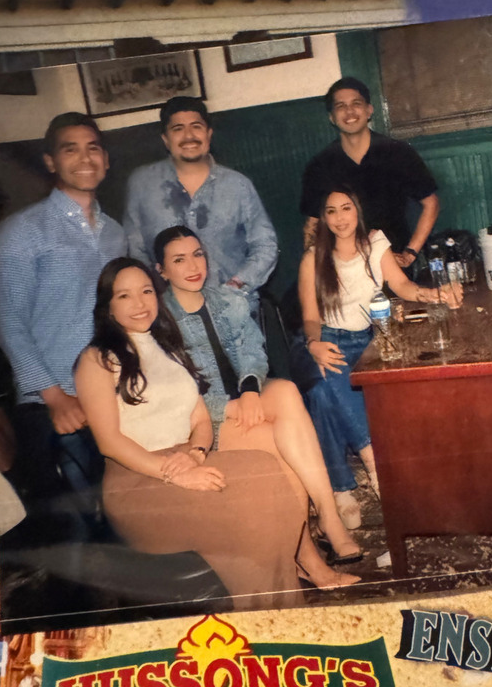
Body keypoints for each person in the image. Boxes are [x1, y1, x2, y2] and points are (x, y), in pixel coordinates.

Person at [74, 257, 351, 609]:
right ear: (108, 307)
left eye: (146, 292)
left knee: (270, 466)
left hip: (183, 457)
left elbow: (201, 420)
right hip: (138, 480)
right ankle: (264, 609)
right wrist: (174, 473)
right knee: (258, 502)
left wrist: (195, 453)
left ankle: (287, 586)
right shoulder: (96, 359)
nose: (140, 303)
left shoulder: (167, 347)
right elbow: (109, 443)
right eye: (124, 296)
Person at [154, 224, 363, 571]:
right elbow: (175, 396)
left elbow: (253, 351)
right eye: (179, 260)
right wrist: (229, 406)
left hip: (246, 400)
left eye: (197, 254)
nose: (193, 266)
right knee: (273, 436)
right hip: (206, 421)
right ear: (161, 270)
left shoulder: (227, 300)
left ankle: (328, 517)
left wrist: (250, 389)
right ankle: (300, 548)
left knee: (287, 391)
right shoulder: (159, 321)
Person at [0, 112, 127, 528]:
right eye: (71, 149)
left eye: (93, 148)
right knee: (76, 531)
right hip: (55, 403)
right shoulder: (20, 232)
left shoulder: (116, 232)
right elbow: (9, 323)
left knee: (121, 519)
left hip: (112, 394)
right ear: (51, 161)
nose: (85, 158)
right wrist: (55, 398)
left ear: (106, 159)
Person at [298, 188, 460, 528]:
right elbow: (310, 317)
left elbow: (402, 286)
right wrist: (313, 344)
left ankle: (340, 487)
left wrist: (436, 295)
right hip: (331, 339)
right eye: (331, 211)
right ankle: (372, 465)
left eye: (346, 208)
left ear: (357, 211)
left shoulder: (375, 244)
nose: (340, 218)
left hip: (372, 338)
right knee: (324, 387)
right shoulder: (313, 258)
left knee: (323, 395)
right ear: (323, 218)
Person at [123, 96, 277, 314]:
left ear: (209, 134)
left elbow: (265, 246)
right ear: (165, 139)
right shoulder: (142, 183)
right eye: (178, 128)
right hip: (169, 315)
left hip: (233, 311)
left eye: (196, 126)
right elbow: (135, 248)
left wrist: (235, 287)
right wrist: (158, 296)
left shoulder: (238, 185)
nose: (189, 136)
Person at [300, 77, 439, 268]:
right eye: (340, 106)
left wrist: (410, 253)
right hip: (345, 263)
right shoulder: (320, 165)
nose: (349, 111)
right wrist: (319, 267)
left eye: (356, 104)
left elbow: (431, 203)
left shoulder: (397, 153)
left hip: (393, 260)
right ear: (331, 117)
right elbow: (313, 224)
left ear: (369, 110)